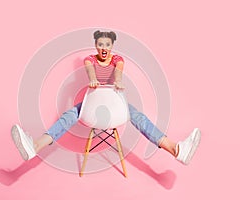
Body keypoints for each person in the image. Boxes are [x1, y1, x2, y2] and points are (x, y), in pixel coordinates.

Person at [11, 30, 201, 165]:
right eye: (100, 44)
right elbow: (90, 72)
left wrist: (118, 82)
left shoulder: (118, 59)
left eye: (107, 45)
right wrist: (93, 80)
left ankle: (176, 149)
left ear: (112, 46)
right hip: (92, 109)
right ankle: (34, 147)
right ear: (96, 45)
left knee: (139, 118)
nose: (103, 47)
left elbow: (118, 73)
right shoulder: (90, 59)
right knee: (69, 116)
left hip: (115, 107)